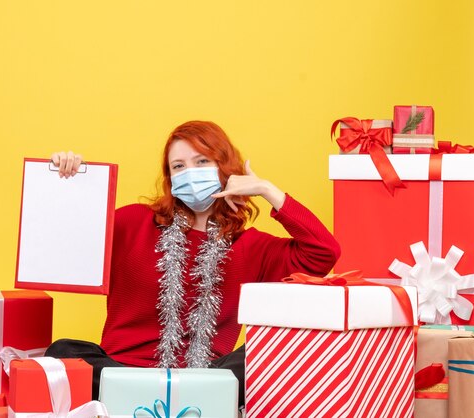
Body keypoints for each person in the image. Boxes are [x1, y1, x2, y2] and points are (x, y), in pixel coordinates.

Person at [45, 120, 340, 406]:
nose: (190, 173)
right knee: (63, 352)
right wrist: (65, 181)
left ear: (225, 169)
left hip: (208, 377)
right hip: (122, 371)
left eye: (202, 162)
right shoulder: (132, 222)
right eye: (179, 166)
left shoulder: (251, 245)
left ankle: (168, 402)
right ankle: (169, 402)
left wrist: (267, 190)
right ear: (170, 179)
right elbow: (66, 243)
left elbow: (324, 251)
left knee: (266, 355)